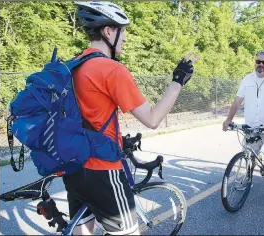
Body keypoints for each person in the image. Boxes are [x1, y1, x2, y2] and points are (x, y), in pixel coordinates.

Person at [62, 2, 198, 235]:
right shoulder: (112, 70)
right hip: (103, 170)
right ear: (108, 32)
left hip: (73, 167)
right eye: (122, 31)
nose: (125, 38)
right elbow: (152, 119)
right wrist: (178, 81)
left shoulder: (73, 66)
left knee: (82, 230)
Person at [222, 51, 264, 206]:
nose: (261, 64)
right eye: (258, 61)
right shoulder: (247, 79)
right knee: (249, 155)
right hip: (251, 126)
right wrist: (228, 119)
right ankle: (248, 179)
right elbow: (237, 101)